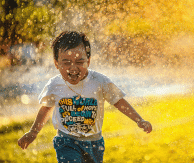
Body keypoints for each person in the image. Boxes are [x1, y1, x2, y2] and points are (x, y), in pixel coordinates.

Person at [18, 31, 152, 163]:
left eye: (79, 61)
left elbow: (118, 101)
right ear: (56, 63)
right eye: (66, 62)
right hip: (66, 141)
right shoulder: (55, 85)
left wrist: (139, 120)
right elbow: (46, 109)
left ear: (88, 61)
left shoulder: (99, 81)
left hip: (94, 143)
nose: (73, 68)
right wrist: (34, 132)